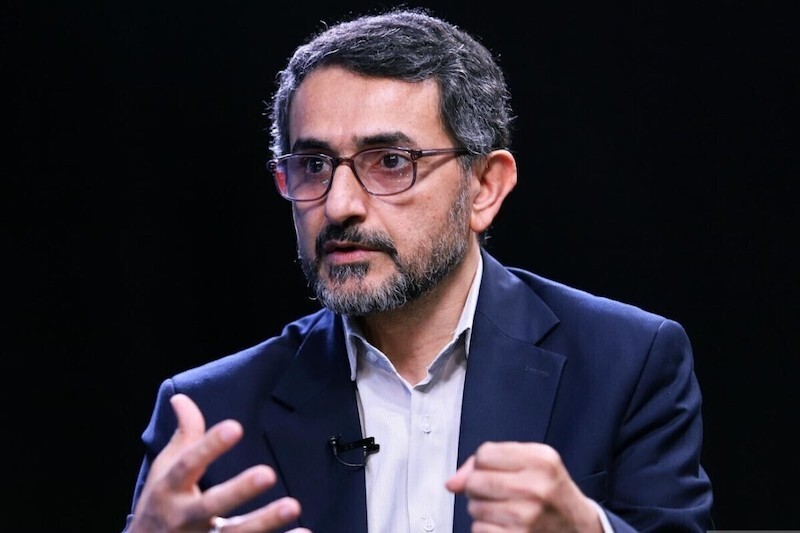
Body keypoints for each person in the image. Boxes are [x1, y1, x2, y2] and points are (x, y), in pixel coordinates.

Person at [122, 7, 714, 533]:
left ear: (484, 187)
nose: (339, 205)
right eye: (313, 165)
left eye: (390, 161)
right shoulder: (206, 413)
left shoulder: (627, 363)